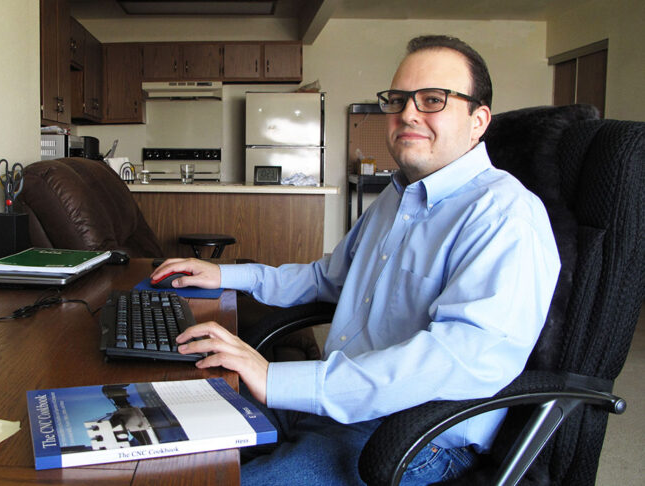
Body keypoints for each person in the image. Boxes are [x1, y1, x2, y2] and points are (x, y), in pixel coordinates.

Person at [151, 35, 561, 485]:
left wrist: (278, 378)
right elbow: (326, 278)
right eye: (399, 99)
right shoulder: (396, 195)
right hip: (334, 402)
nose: (408, 113)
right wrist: (226, 273)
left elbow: (455, 361)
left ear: (478, 120)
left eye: (432, 100)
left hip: (410, 439)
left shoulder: (505, 215)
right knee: (163, 430)